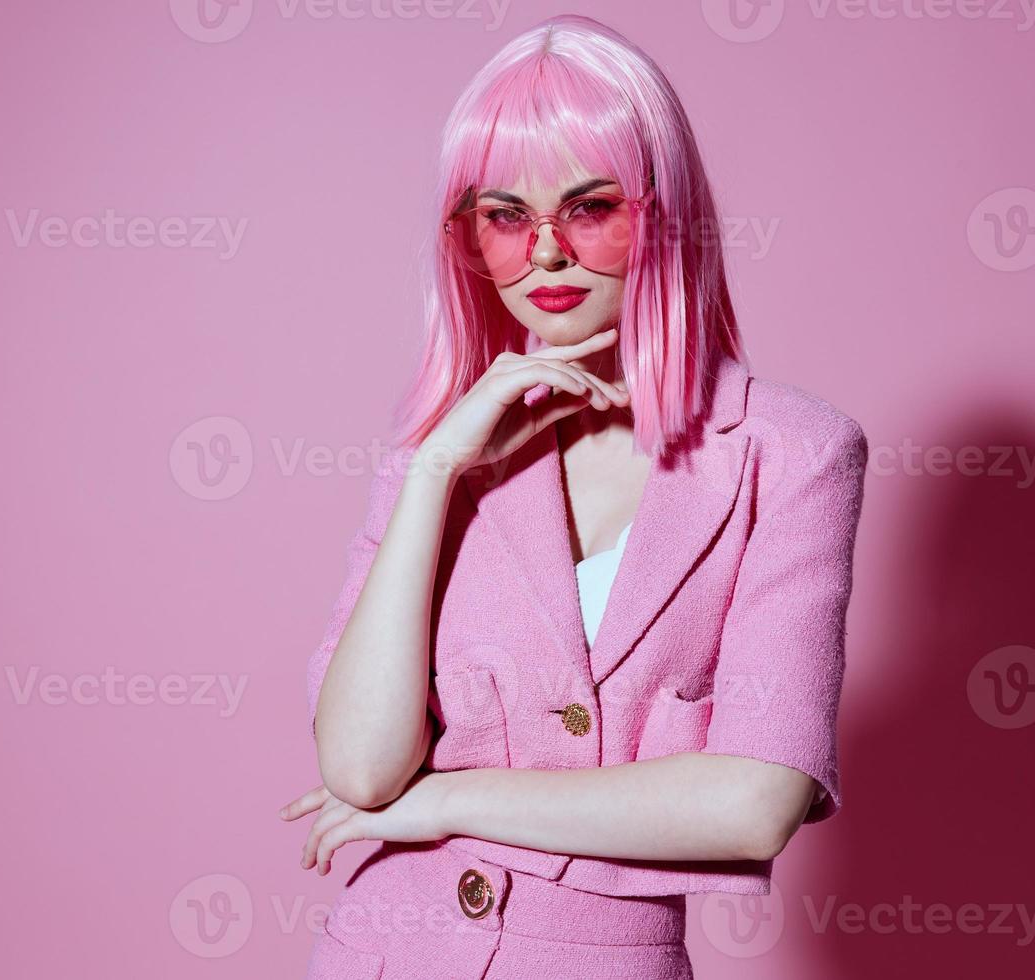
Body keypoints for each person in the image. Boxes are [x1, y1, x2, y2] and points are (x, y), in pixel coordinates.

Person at [280, 14, 869, 978]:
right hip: (384, 952)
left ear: (664, 214)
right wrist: (434, 475)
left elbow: (754, 805)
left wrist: (449, 800)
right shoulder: (443, 444)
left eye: (589, 208)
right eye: (505, 217)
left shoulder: (793, 453)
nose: (546, 254)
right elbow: (358, 768)